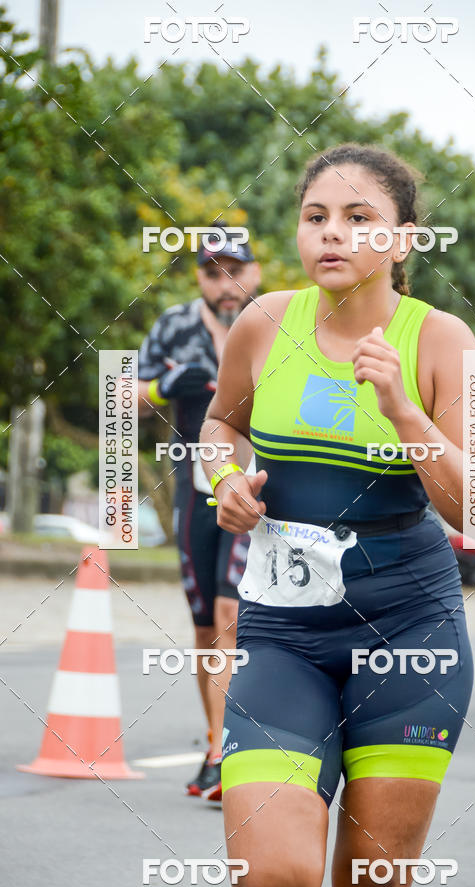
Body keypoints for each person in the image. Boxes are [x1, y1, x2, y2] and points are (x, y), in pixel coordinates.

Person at [201, 143, 475, 887]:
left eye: (359, 218)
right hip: (284, 634)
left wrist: (403, 411)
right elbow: (218, 426)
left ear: (402, 242)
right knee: (272, 878)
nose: (332, 233)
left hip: (409, 636)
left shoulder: (446, 341)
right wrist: (226, 479)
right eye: (316, 216)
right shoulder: (263, 322)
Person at [137, 222, 261, 801]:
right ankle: (216, 746)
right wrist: (165, 385)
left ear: (254, 271)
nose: (225, 283)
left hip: (253, 487)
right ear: (198, 278)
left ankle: (230, 753)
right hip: (194, 487)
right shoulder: (174, 325)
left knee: (229, 613)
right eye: (212, 273)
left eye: (234, 269)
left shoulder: (275, 322)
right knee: (206, 629)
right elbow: (123, 400)